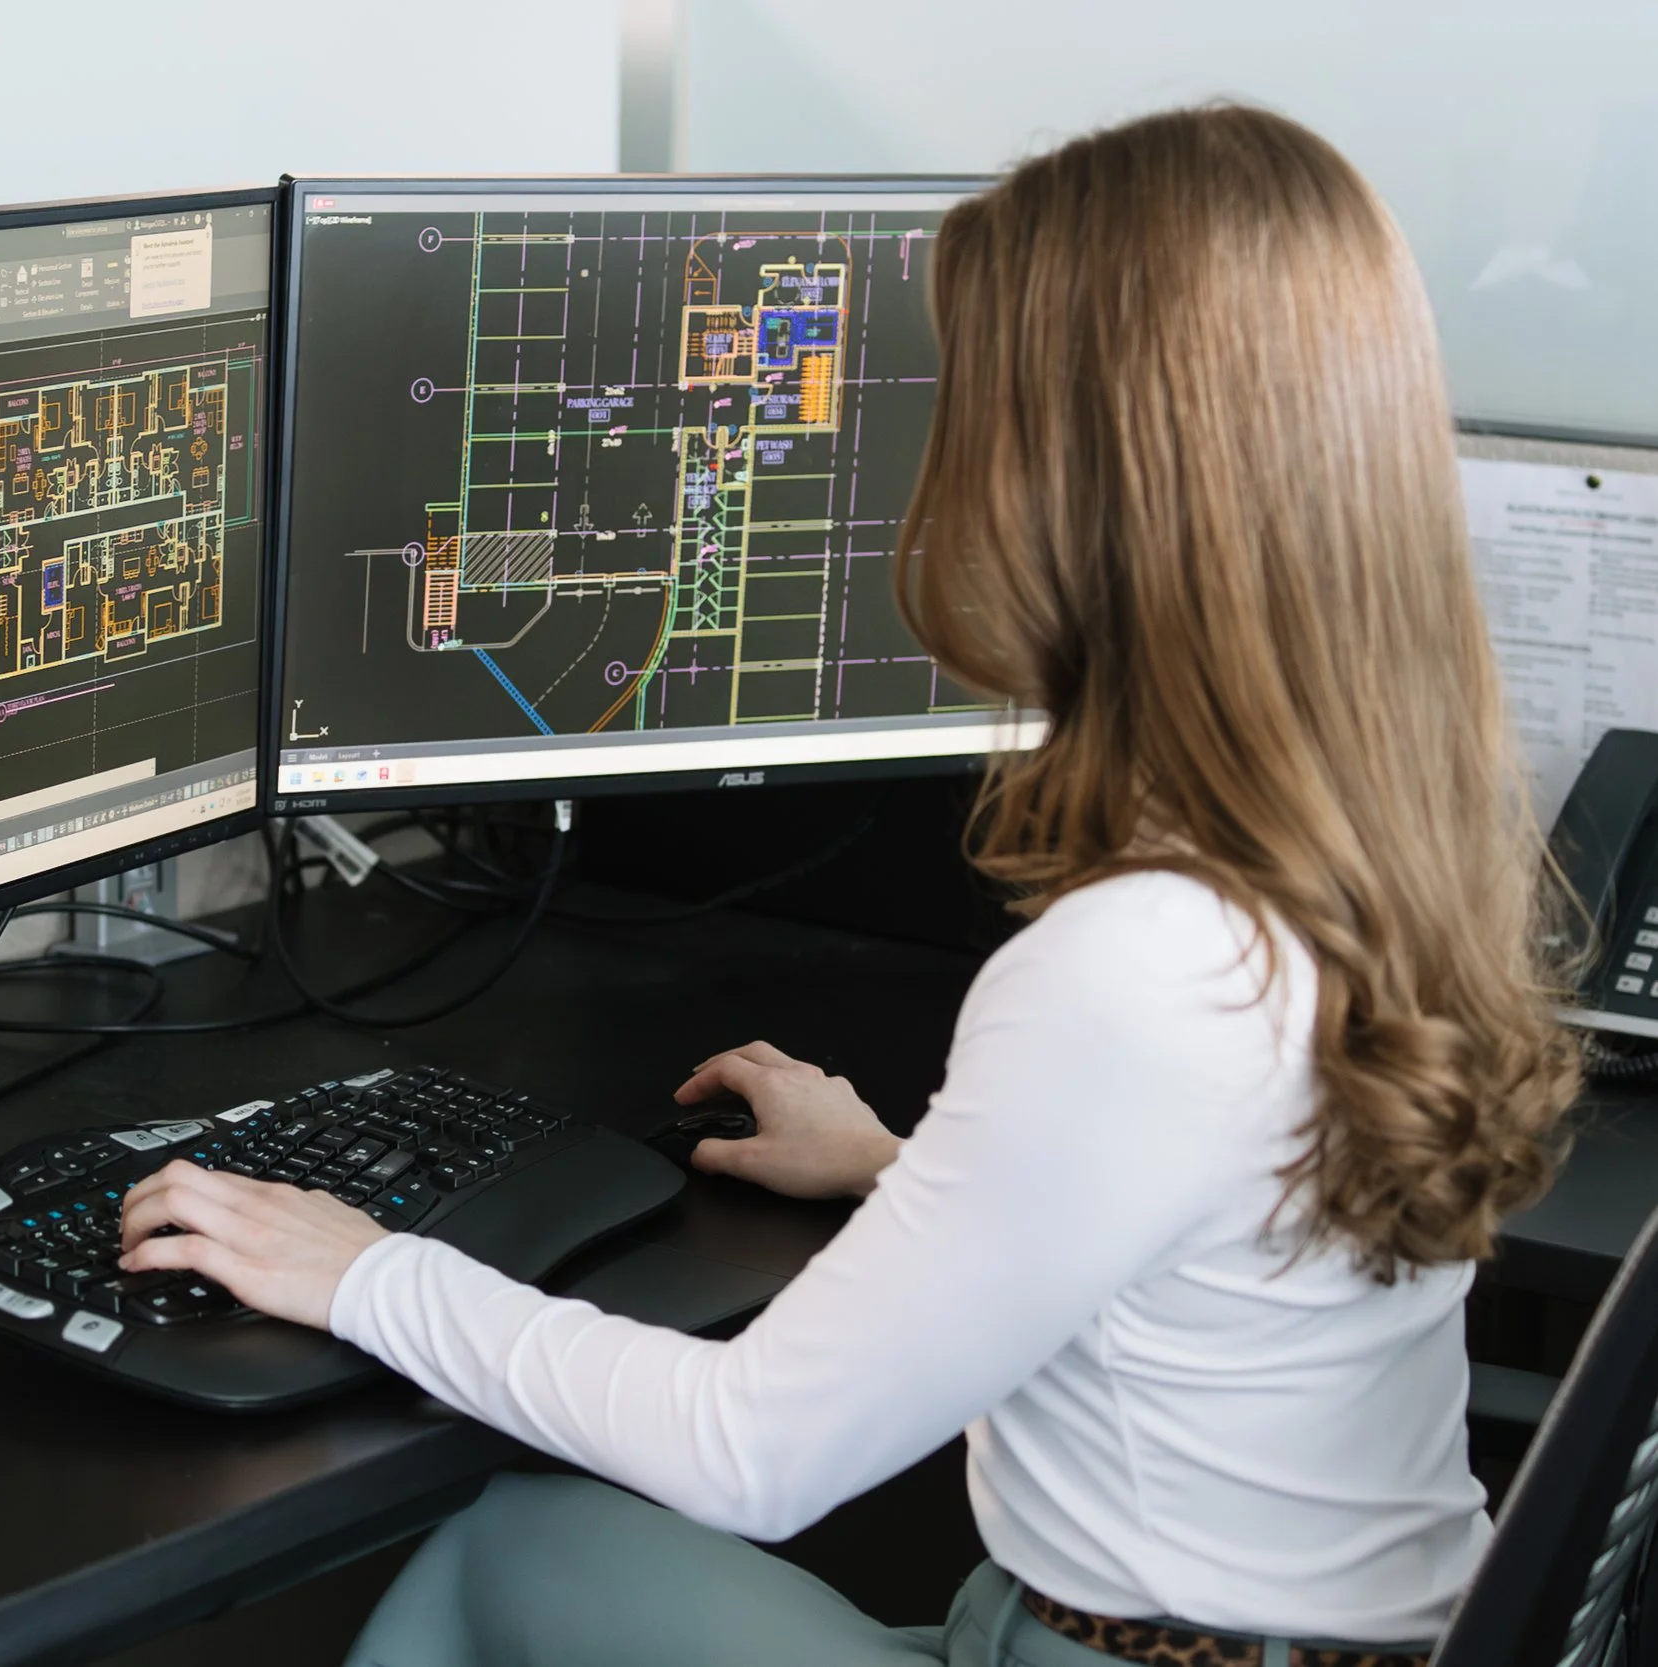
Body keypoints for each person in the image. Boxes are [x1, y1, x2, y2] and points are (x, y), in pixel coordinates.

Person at [117, 104, 1580, 1666]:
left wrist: (366, 1272)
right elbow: (1211, 1258)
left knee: (503, 1557)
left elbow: (754, 1451)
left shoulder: (1139, 964)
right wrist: (908, 1171)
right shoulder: (1377, 851)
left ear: (1072, 483)